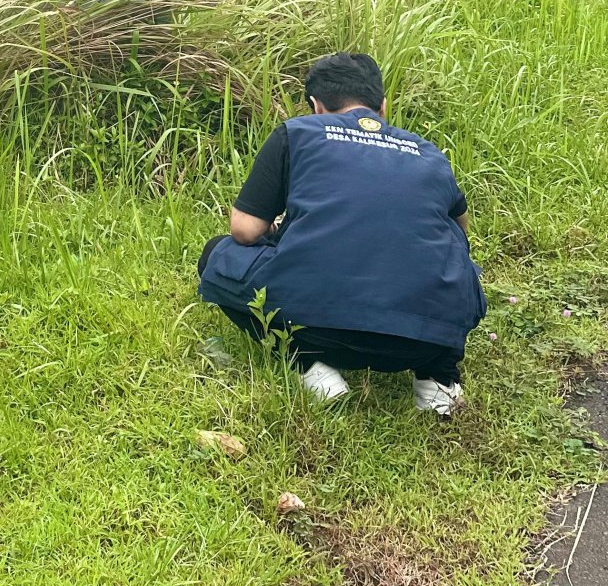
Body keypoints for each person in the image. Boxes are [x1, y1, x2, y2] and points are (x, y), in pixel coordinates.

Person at [197, 51, 484, 415]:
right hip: (427, 338)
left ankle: (310, 366)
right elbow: (460, 230)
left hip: (317, 330)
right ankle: (437, 380)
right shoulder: (429, 153)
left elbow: (244, 229)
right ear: (383, 107)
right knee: (457, 263)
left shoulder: (297, 133)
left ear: (316, 106)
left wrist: (280, 230)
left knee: (217, 254)